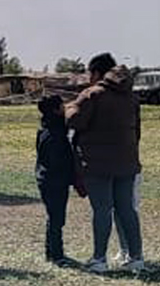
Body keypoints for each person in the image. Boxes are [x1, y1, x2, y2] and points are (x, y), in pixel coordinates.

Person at [66, 52, 146, 273]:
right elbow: (137, 131)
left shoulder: (93, 95)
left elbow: (75, 120)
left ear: (98, 73)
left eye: (90, 73)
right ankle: (136, 256)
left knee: (102, 209)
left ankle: (99, 259)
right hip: (127, 162)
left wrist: (71, 105)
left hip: (97, 164)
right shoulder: (131, 97)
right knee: (126, 209)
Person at [34, 95, 81, 266]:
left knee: (54, 217)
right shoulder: (55, 133)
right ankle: (57, 254)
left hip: (47, 179)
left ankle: (51, 252)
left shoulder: (46, 130)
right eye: (61, 105)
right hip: (54, 180)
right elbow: (57, 160)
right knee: (56, 218)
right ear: (55, 109)